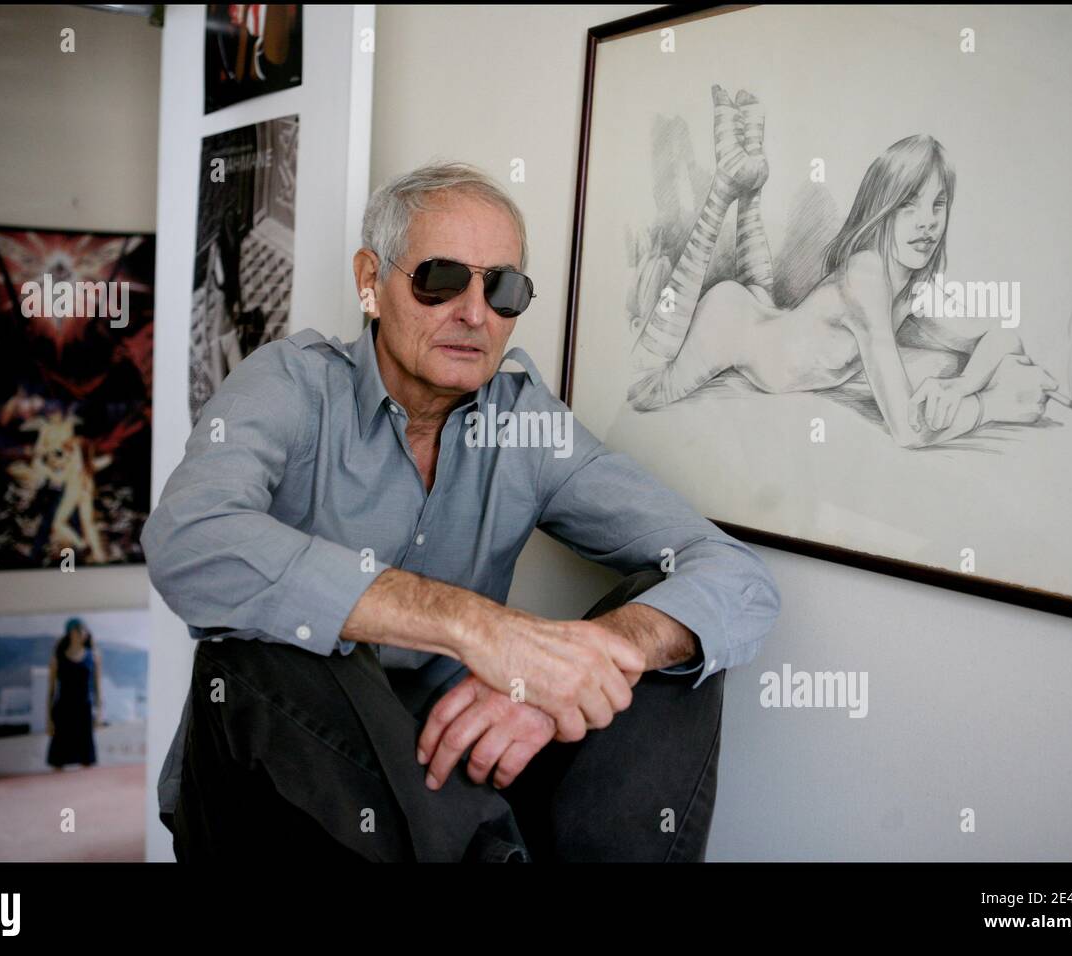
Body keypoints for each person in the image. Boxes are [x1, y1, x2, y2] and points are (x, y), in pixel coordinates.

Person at [142, 161, 781, 862]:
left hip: (464, 778)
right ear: (369, 281)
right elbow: (188, 540)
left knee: (665, 628)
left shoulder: (527, 428)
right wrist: (475, 628)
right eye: (441, 279)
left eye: (502, 289)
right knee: (263, 643)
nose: (474, 313)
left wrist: (583, 660)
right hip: (280, 795)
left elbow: (734, 576)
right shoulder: (288, 386)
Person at [628, 85, 1059, 446]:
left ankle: (749, 181)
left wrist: (964, 386)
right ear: (881, 209)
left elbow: (1001, 336)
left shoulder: (908, 285)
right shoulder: (867, 277)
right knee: (649, 388)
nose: (927, 222)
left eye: (938, 204)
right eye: (908, 205)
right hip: (732, 326)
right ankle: (726, 186)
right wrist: (995, 405)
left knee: (756, 286)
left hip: (763, 314)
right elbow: (909, 431)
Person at [46, 617, 102, 769]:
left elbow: (97, 688)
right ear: (70, 633)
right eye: (78, 630)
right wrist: (49, 719)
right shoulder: (57, 658)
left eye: (84, 630)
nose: (82, 633)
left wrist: (99, 712)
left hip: (84, 710)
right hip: (63, 711)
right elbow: (51, 690)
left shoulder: (93, 656)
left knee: (87, 760)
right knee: (58, 761)